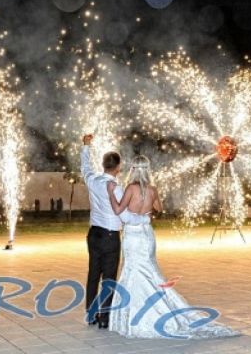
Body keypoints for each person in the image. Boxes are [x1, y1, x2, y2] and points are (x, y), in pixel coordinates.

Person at [106, 154, 239, 339]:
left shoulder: (130, 188)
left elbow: (118, 210)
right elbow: (159, 208)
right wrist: (147, 210)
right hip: (147, 235)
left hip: (133, 236)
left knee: (132, 270)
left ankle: (136, 315)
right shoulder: (152, 190)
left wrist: (111, 194)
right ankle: (159, 308)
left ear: (133, 170)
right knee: (150, 270)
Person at [80, 134, 124, 329]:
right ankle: (104, 317)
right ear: (118, 167)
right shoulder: (115, 187)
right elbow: (123, 211)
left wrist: (86, 146)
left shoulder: (93, 180)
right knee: (109, 278)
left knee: (93, 274)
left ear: (103, 165)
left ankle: (91, 314)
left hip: (94, 233)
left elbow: (85, 168)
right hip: (110, 236)